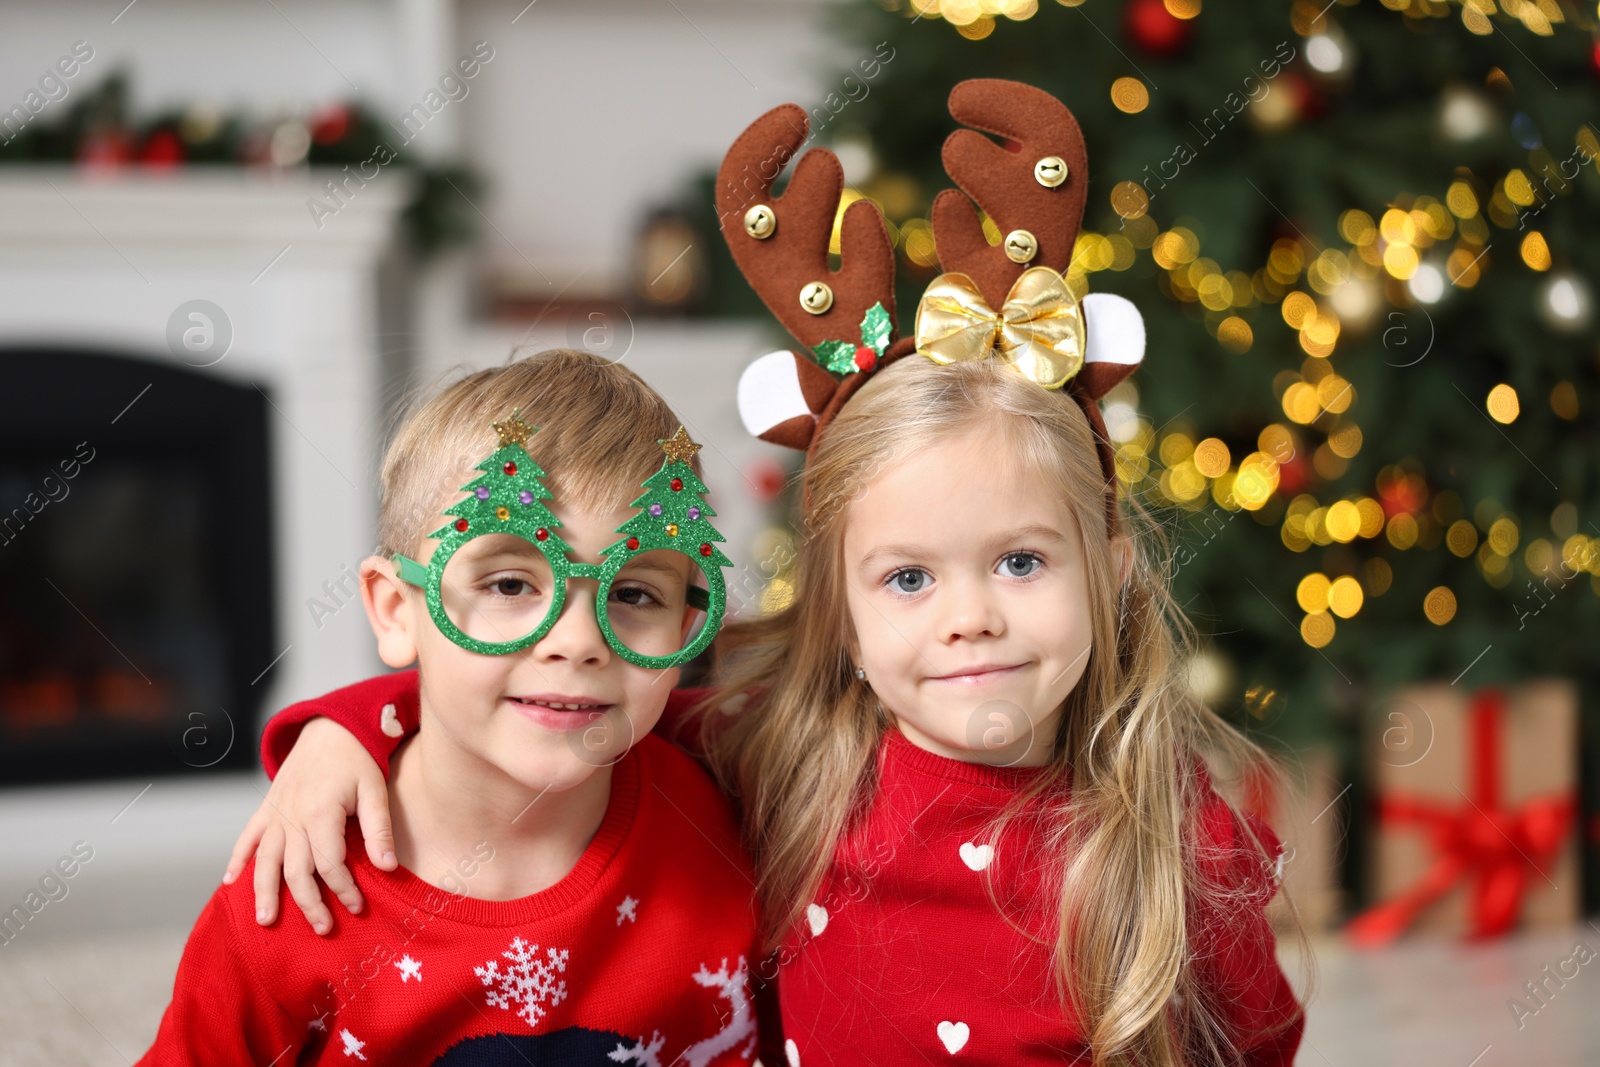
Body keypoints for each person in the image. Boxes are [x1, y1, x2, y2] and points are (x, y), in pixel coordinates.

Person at [229, 81, 1308, 1064]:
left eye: (1020, 560)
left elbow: (1260, 1040)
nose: (970, 618)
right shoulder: (775, 750)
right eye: (906, 579)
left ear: (1112, 568)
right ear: (834, 603)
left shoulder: (1173, 827)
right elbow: (568, 694)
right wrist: (338, 730)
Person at [140, 349, 764, 1066]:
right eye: (507, 584)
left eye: (634, 594)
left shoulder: (730, 796)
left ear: (686, 631)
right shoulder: (300, 888)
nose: (579, 641)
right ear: (396, 609)